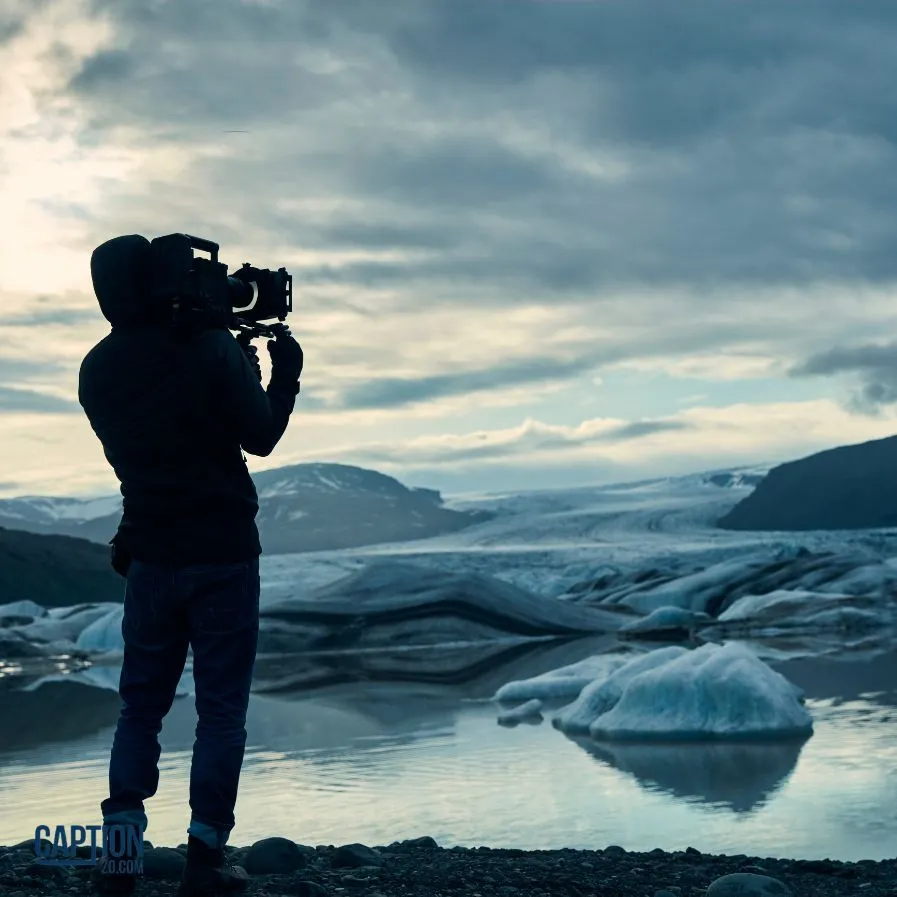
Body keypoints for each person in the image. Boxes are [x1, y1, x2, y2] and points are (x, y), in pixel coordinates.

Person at [77, 234, 304, 897]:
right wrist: (277, 369)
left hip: (149, 557)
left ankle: (120, 856)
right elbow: (258, 434)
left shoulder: (96, 369)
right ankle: (205, 857)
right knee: (221, 711)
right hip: (223, 555)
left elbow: (152, 452)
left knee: (138, 710)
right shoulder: (206, 347)